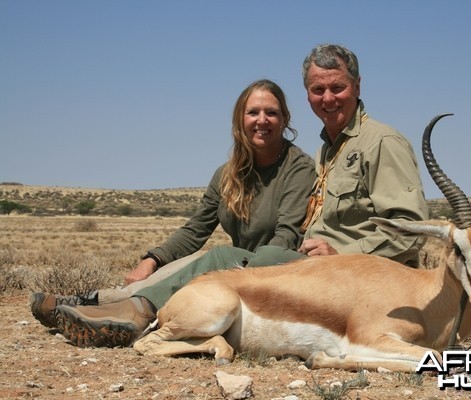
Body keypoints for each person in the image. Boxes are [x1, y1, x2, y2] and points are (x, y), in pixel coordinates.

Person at [52, 43, 430, 348]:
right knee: (198, 261)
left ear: (358, 86)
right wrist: (151, 258)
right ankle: (97, 303)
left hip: (354, 277)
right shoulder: (328, 149)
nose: (328, 97)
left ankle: (133, 311)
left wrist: (344, 255)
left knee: (222, 257)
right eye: (318, 89)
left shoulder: (380, 142)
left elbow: (410, 228)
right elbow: (196, 227)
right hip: (321, 270)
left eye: (338, 87)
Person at [30, 79, 316, 328]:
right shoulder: (227, 174)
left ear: (285, 118)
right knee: (161, 275)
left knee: (206, 264)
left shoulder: (299, 167)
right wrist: (151, 259)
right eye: (253, 112)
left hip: (270, 271)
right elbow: (195, 230)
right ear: (240, 119)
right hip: (236, 264)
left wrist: (240, 272)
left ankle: (126, 316)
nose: (262, 120)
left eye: (271, 113)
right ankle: (85, 305)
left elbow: (287, 236)